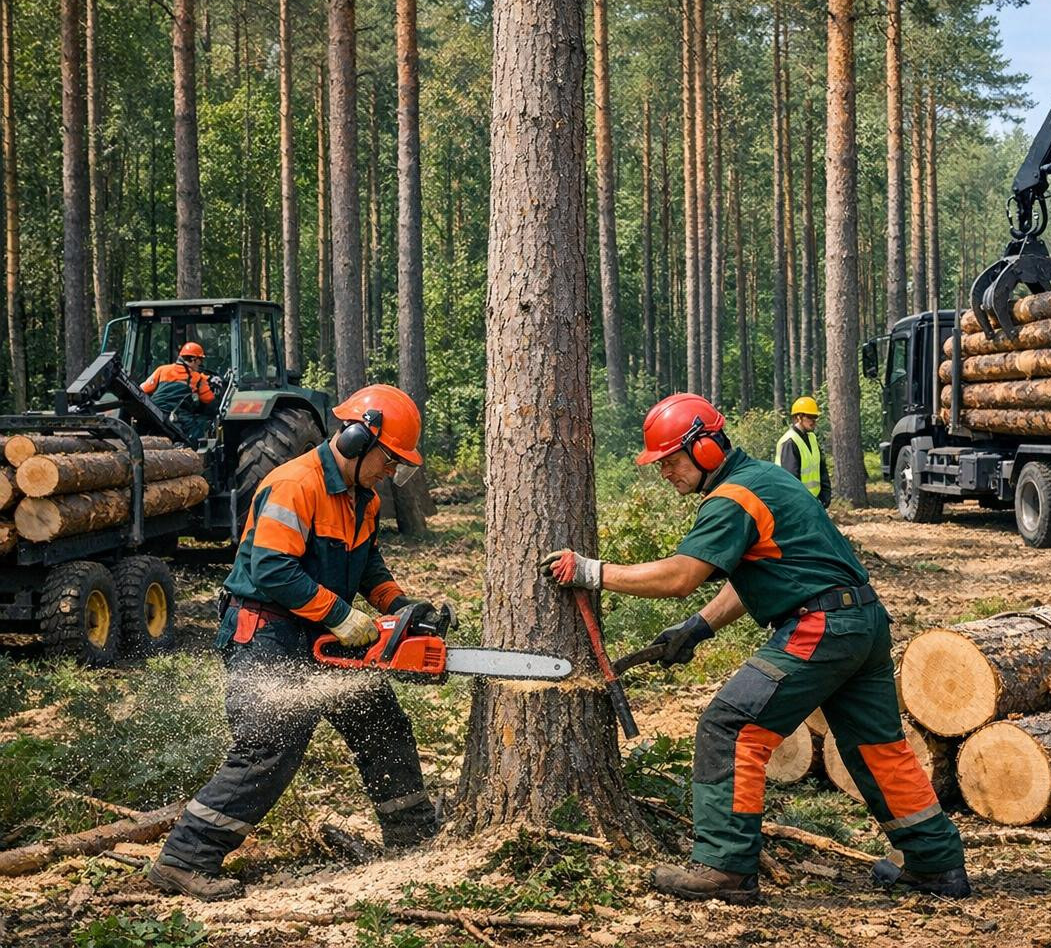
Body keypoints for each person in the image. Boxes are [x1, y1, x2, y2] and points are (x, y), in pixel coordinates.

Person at [541, 393, 968, 904]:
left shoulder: (733, 497)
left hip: (821, 625)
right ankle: (935, 864)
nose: (666, 473)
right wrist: (696, 628)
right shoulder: (764, 478)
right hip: (861, 621)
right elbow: (763, 573)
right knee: (876, 747)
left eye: (671, 460)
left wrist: (592, 571)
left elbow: (680, 577)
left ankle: (724, 867)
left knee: (730, 726)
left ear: (704, 448)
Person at [149, 384, 442, 901]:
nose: (390, 470)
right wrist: (341, 616)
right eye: (389, 458)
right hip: (266, 627)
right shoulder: (294, 484)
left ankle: (412, 835)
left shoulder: (364, 498)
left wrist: (398, 606)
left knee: (380, 720)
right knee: (272, 741)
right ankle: (185, 858)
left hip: (321, 627)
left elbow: (368, 565)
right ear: (356, 440)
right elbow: (271, 568)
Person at [141, 341, 218, 441]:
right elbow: (209, 399)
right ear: (194, 359)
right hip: (178, 417)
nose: (200, 364)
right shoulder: (198, 378)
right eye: (200, 360)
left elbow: (143, 389)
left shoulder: (162, 370)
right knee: (202, 423)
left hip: (154, 413)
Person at [776, 396, 831, 507]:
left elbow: (821, 469)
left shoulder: (812, 438)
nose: (814, 421)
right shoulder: (790, 442)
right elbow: (791, 481)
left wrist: (825, 497)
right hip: (798, 505)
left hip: (814, 503)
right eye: (810, 417)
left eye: (815, 417)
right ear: (799, 417)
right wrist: (801, 505)